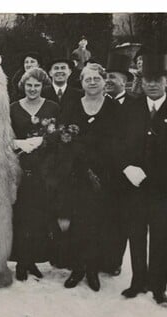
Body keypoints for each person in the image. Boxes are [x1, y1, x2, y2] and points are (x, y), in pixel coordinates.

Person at [121, 53, 167, 306]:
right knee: (136, 235)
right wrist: (126, 167)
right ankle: (137, 281)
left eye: (157, 79)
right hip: (136, 187)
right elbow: (118, 144)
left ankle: (158, 287)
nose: (152, 84)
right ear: (141, 82)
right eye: (147, 80)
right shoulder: (130, 108)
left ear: (166, 81)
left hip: (166, 189)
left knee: (162, 238)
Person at [59, 64, 123, 292]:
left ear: (104, 81)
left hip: (104, 175)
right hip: (76, 173)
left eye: (97, 78)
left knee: (99, 222)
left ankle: (93, 269)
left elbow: (119, 141)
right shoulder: (72, 106)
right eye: (88, 79)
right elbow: (63, 137)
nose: (93, 82)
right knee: (77, 221)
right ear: (82, 82)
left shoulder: (114, 108)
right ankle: (77, 268)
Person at [10, 67, 59, 281]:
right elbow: (4, 135)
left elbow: (59, 135)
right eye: (29, 85)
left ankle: (34, 259)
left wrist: (44, 141)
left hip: (45, 170)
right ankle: (22, 261)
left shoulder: (52, 107)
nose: (32, 89)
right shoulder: (12, 108)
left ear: (43, 86)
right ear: (23, 86)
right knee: (20, 216)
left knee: (39, 216)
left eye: (37, 85)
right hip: (20, 169)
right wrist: (17, 143)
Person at [102, 53, 138, 275]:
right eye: (105, 76)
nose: (107, 80)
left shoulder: (136, 104)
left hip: (123, 172)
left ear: (125, 81)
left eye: (113, 77)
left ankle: (114, 261)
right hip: (100, 171)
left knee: (119, 219)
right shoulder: (98, 100)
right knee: (99, 216)